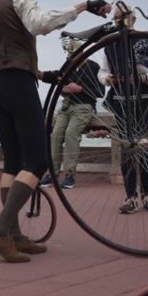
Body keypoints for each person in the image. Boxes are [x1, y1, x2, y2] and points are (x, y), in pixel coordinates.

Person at [0, 0, 110, 263]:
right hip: (18, 83)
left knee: (12, 162)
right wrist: (83, 6)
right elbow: (39, 24)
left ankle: (14, 236)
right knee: (37, 160)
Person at [98, 10, 148, 214]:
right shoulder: (110, 45)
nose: (118, 21)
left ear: (133, 19)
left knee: (145, 146)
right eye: (115, 18)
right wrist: (107, 79)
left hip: (144, 100)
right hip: (122, 101)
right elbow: (102, 72)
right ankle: (130, 196)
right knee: (127, 148)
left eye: (122, 17)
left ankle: (147, 194)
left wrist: (143, 78)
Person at [39, 37, 104, 190]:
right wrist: (39, 74)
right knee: (56, 134)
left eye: (75, 54)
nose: (72, 57)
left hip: (84, 106)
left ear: (82, 53)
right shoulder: (68, 67)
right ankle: (52, 173)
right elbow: (56, 76)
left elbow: (100, 92)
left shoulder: (94, 67)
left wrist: (80, 89)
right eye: (70, 54)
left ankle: (69, 175)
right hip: (66, 106)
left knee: (71, 133)